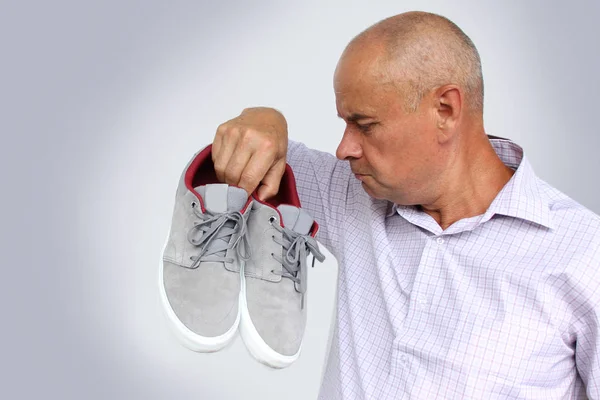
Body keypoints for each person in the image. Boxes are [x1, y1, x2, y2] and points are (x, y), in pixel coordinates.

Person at [209, 11, 600, 400]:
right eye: (345, 123)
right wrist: (263, 119)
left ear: (445, 110)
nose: (344, 148)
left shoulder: (584, 254)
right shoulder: (353, 193)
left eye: (364, 124)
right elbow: (230, 162)